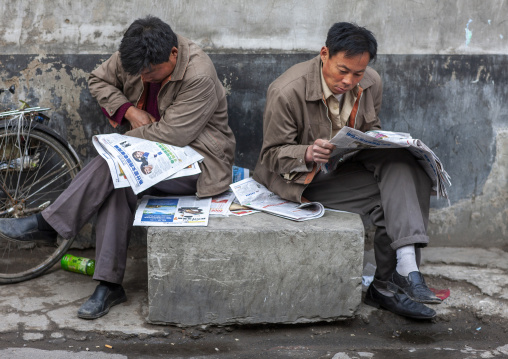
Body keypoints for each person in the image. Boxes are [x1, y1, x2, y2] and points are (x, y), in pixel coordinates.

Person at [0, 16, 235, 319]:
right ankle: (109, 285)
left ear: (173, 54)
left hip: (198, 161)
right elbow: (98, 79)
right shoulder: (136, 55)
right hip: (149, 154)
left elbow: (175, 135)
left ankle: (48, 226)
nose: (145, 78)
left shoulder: (199, 74)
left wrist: (122, 144)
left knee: (114, 165)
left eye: (152, 73)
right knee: (120, 179)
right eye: (140, 73)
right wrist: (129, 110)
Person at [253, 22, 440, 319]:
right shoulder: (286, 91)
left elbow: (372, 129)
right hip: (305, 181)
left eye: (358, 73)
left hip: (346, 170)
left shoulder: (371, 83)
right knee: (393, 195)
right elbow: (271, 155)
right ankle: (393, 279)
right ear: (324, 54)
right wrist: (307, 152)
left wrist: (376, 139)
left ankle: (398, 274)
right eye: (343, 70)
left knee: (405, 163)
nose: (349, 81)